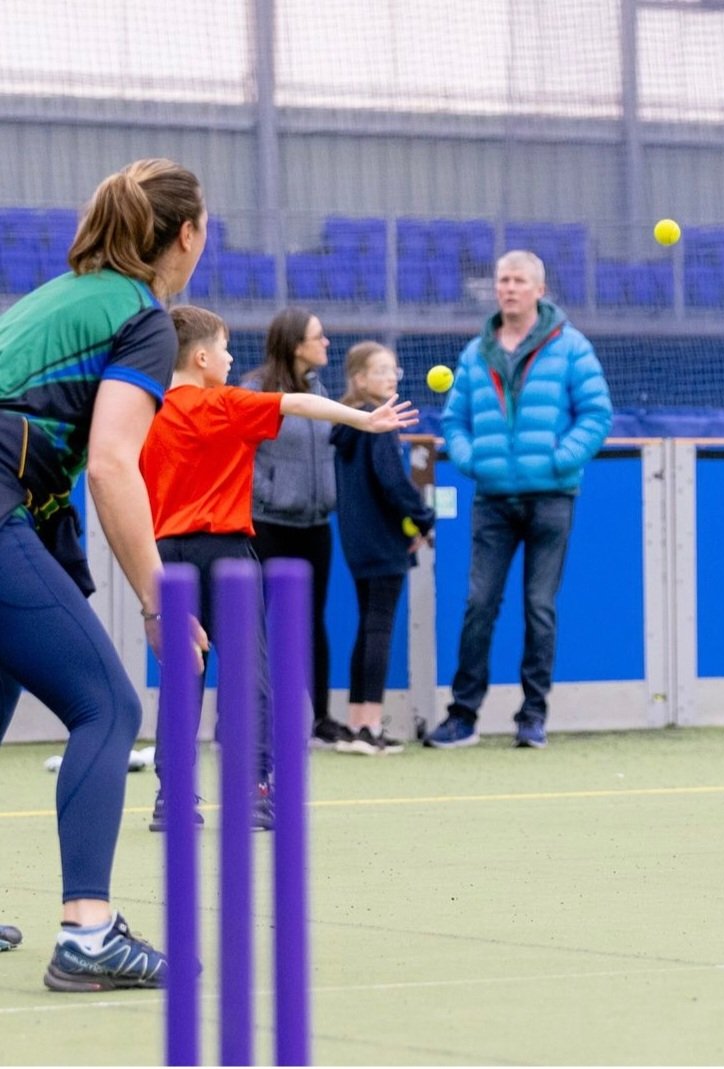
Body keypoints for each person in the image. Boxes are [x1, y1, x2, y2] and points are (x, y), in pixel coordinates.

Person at [0, 158, 209, 991]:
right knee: (109, 705)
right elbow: (113, 466)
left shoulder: (58, 295)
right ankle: (88, 933)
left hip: (15, 504)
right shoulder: (141, 317)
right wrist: (160, 600)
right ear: (187, 235)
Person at [141, 306, 419, 824]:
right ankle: (255, 788)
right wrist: (364, 416)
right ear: (201, 358)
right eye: (224, 349)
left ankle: (172, 798)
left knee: (183, 678)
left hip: (165, 558)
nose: (229, 358)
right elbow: (299, 402)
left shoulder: (148, 412)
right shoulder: (225, 403)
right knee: (250, 678)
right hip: (225, 554)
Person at [425, 250, 613, 750]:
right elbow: (453, 422)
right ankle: (462, 716)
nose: (508, 288)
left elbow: (596, 414)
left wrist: (560, 458)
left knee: (539, 606)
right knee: (478, 603)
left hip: (552, 497)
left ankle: (533, 716)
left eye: (518, 280)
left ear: (539, 288)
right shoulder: (475, 353)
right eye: (502, 280)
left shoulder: (571, 348)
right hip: (492, 500)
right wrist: (474, 461)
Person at [243, 307, 351, 746]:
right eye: (318, 337)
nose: (326, 344)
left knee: (313, 622)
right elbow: (240, 454)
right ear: (295, 345)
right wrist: (268, 495)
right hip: (269, 525)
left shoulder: (321, 392)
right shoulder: (254, 390)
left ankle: (320, 719)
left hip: (315, 526)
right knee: (263, 625)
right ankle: (261, 722)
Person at [331, 342, 435, 755]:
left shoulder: (346, 426)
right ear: (359, 380)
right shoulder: (378, 425)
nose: (391, 378)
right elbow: (393, 484)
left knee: (368, 627)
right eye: (381, 371)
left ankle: (359, 722)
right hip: (382, 542)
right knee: (379, 629)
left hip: (359, 542)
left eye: (394, 370)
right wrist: (423, 520)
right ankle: (370, 725)